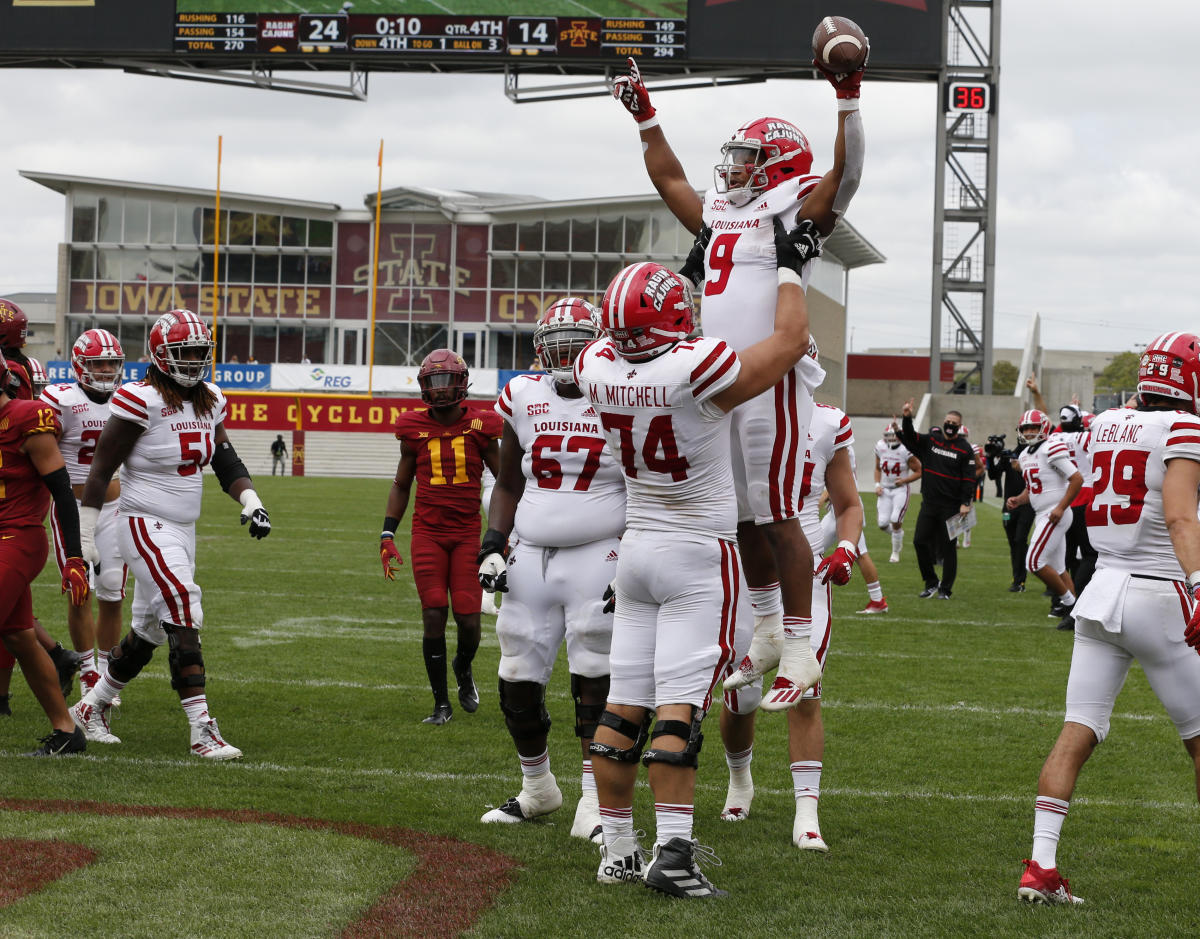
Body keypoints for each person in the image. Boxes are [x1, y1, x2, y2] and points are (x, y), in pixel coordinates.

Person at [612, 47, 866, 707]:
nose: (734, 170)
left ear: (778, 166)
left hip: (775, 381)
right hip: (720, 380)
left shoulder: (794, 213)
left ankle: (803, 647)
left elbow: (849, 169)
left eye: (748, 159)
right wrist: (647, 120)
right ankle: (767, 627)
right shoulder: (724, 213)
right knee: (743, 515)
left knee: (780, 512)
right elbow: (669, 181)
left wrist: (847, 94)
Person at [578, 219, 821, 896]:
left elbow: (626, 337)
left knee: (622, 705)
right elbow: (790, 342)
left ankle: (619, 849)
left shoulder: (596, 367)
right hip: (696, 553)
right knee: (678, 711)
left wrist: (678, 281)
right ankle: (674, 854)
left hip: (636, 551)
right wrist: (792, 266)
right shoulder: (696, 368)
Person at [1017, 332, 1200, 905]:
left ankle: (1041, 867)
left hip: (1102, 591)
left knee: (1079, 728)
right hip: (1160, 592)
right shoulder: (1182, 429)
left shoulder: (1106, 423)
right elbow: (1178, 518)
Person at [70, 309, 271, 760]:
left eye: (202, 352)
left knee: (148, 631)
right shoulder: (139, 399)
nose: (196, 360)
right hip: (143, 521)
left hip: (183, 528)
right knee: (184, 605)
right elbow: (101, 470)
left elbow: (223, 457)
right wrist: (84, 539)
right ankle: (202, 729)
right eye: (187, 352)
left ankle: (90, 706)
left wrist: (251, 500)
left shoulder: (210, 398)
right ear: (162, 356)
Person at [477, 298, 625, 842]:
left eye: (576, 341)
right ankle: (538, 788)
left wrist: (631, 555)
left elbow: (643, 485)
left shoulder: (621, 392)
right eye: (557, 343)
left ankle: (594, 799)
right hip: (530, 549)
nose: (565, 354)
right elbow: (510, 481)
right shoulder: (521, 394)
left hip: (599, 548)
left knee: (595, 670)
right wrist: (492, 542)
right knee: (516, 670)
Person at [718, 396, 863, 851]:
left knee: (804, 693)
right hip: (744, 574)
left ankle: (807, 813)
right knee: (740, 697)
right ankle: (740, 781)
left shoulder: (825, 422)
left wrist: (847, 548)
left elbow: (849, 504)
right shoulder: (731, 410)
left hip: (804, 573)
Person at [381, 349, 501, 725]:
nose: (441, 390)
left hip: (467, 534)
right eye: (433, 382)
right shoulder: (412, 427)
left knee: (469, 619)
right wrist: (387, 533)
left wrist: (504, 533)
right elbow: (402, 483)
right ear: (423, 386)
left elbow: (506, 483)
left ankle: (463, 668)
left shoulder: (483, 426)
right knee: (433, 613)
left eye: (447, 381)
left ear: (462, 383)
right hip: (428, 533)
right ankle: (441, 704)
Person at [0, 358, 90, 755]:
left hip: (16, 537)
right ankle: (67, 731)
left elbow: (63, 492)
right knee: (20, 637)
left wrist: (74, 557)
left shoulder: (28, 418)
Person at [40, 329, 128, 700]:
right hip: (72, 507)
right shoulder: (60, 399)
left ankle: (107, 674)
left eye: (111, 362)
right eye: (98, 362)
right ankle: (88, 673)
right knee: (80, 591)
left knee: (112, 592)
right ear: (79, 364)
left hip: (114, 507)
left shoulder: (127, 399)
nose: (106, 369)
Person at [1027, 375, 1096, 628]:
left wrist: (1037, 394)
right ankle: (1072, 604)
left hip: (1064, 501)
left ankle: (1062, 605)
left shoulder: (1054, 438)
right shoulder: (1087, 438)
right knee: (1086, 556)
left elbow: (1042, 420)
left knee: (1063, 558)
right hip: (1082, 497)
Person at [1005, 409, 1083, 623]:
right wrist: (1018, 499)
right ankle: (1074, 613)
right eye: (1025, 428)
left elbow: (1076, 479)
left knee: (1033, 562)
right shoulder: (1024, 454)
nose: (1029, 432)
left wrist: (1060, 507)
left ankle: (1070, 604)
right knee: (1058, 568)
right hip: (1043, 512)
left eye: (1033, 427)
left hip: (1054, 513)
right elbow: (1034, 489)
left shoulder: (1052, 447)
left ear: (1044, 428)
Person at [898, 403, 977, 598]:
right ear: (943, 423)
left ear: (960, 426)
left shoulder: (965, 449)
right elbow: (911, 437)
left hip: (951, 506)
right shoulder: (932, 440)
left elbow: (969, 478)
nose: (950, 425)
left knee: (948, 548)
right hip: (929, 503)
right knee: (919, 541)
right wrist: (907, 418)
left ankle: (945, 589)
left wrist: (965, 502)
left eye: (954, 423)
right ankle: (931, 582)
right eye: (948, 422)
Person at [985, 434, 1033, 592]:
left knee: (1020, 540)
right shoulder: (1009, 455)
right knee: (1013, 543)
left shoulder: (1033, 456)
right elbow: (993, 475)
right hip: (1008, 507)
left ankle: (1021, 581)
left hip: (1027, 505)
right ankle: (1016, 579)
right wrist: (990, 457)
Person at [873, 423, 921, 564]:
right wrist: (877, 485)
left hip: (900, 489)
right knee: (882, 523)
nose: (891, 439)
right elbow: (877, 468)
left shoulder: (906, 450)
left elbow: (919, 471)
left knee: (895, 519)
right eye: (888, 436)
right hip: (885, 489)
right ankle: (898, 533)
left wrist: (905, 480)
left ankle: (895, 552)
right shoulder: (880, 447)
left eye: (894, 436)